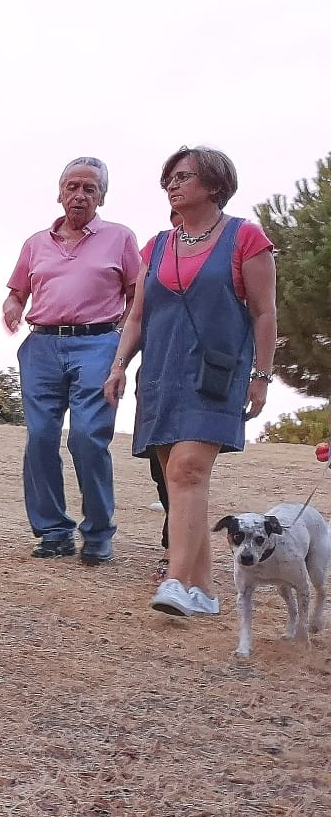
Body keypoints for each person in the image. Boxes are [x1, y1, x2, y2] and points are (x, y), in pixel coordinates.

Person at [104, 146, 278, 618]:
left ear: (215, 184)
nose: (172, 185)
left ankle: (176, 581)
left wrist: (261, 376)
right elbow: (137, 316)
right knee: (180, 478)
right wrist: (119, 364)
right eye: (169, 178)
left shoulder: (246, 238)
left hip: (216, 375)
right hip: (160, 374)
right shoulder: (157, 245)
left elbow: (264, 315)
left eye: (183, 176)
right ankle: (202, 590)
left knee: (187, 471)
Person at [2, 157, 141, 565]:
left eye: (90, 189)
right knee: (41, 437)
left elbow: (138, 295)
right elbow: (16, 291)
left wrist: (120, 338)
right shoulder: (35, 243)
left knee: (87, 437)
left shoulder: (120, 238)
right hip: (42, 345)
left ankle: (98, 532)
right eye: (73, 187)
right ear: (59, 192)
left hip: (98, 343)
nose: (80, 195)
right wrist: (11, 307)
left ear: (102, 196)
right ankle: (52, 531)